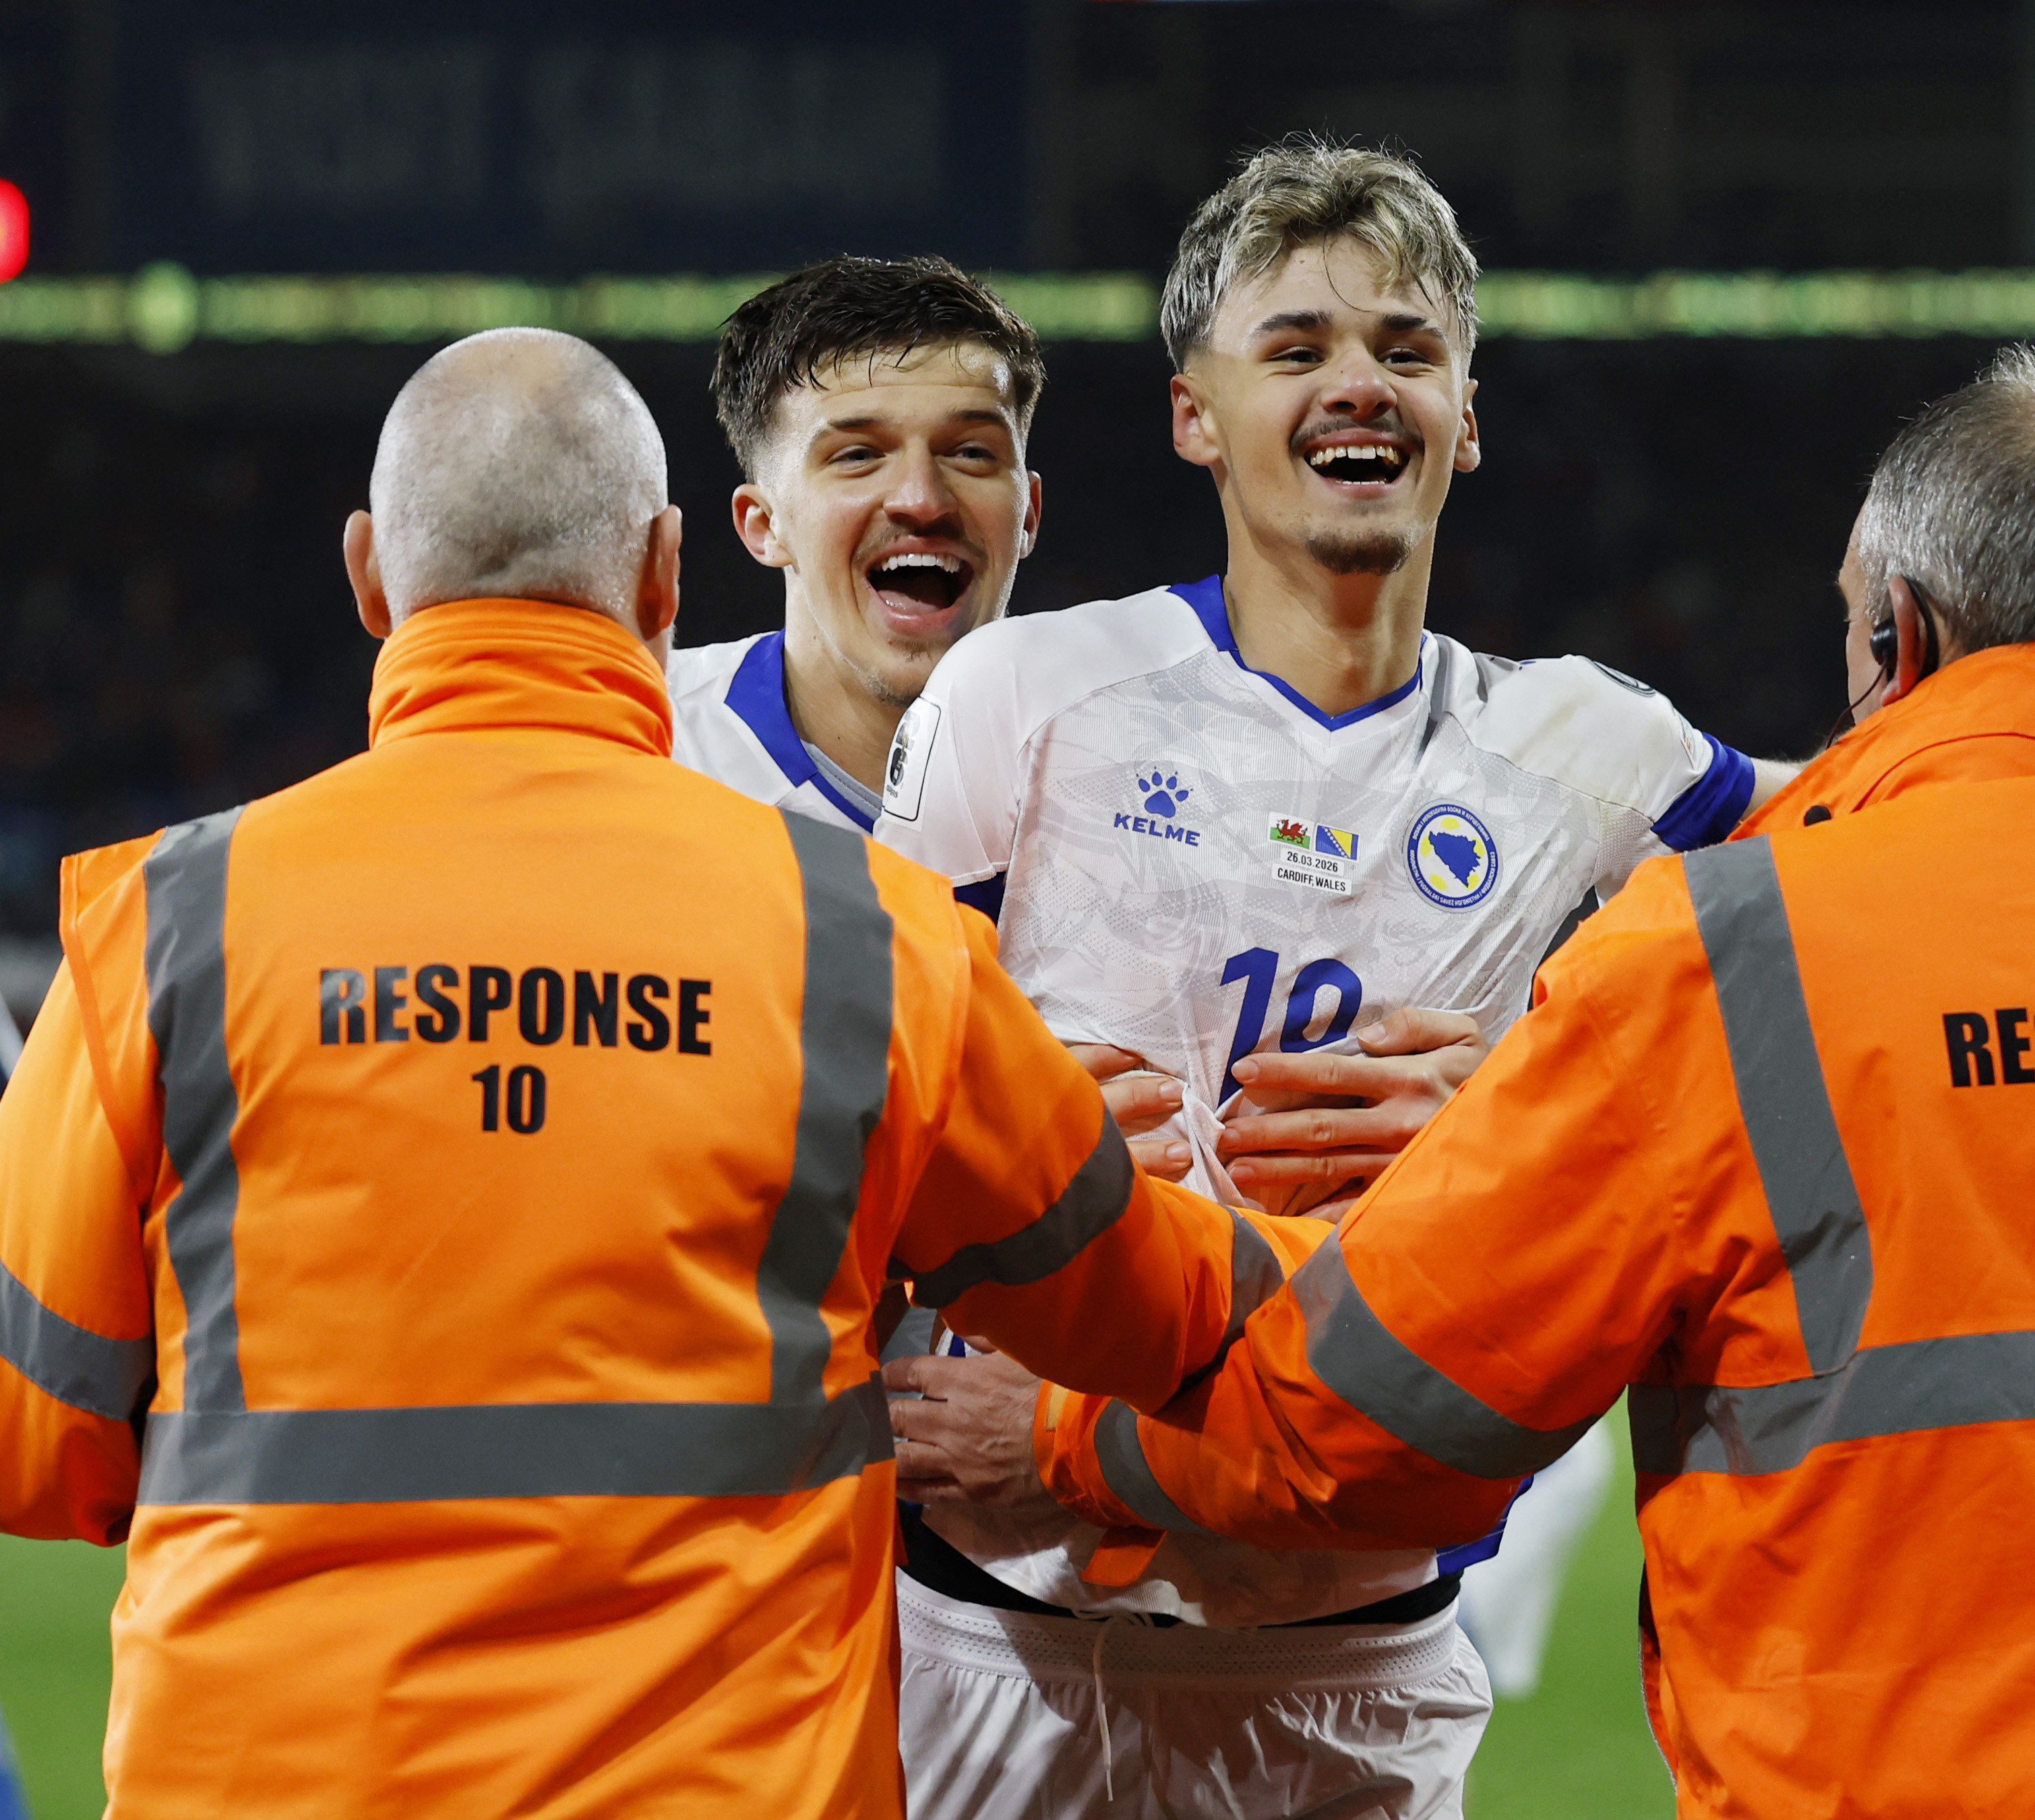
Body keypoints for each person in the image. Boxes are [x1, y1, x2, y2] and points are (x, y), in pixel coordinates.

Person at [873, 142, 2035, 1817]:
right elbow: (858, 1073)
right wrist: (1016, 1131)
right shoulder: (1023, 696)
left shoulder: (1589, 740)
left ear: (1467, 416)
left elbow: (1914, 815)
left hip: (1354, 1646)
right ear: (1193, 410)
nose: (1361, 383)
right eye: (1298, 347)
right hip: (1008, 1621)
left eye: (1407, 350)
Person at [0, 327, 1252, 1819]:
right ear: (666, 573)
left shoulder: (159, 929)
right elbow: (1164, 1320)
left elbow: (37, 1450)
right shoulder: (871, 941)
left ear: (369, 577)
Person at [669, 255, 1045, 838]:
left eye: (970, 452)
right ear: (764, 526)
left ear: (1029, 515)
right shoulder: (646, 748)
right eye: (858, 456)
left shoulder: (1138, 767)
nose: (923, 500)